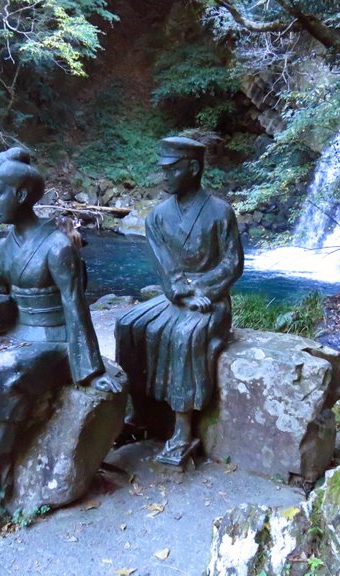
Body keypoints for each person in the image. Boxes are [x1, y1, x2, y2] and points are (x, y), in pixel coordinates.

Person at [0, 147, 120, 519]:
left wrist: (91, 370)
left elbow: (76, 307)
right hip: (17, 333)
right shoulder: (5, 248)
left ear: (21, 195)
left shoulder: (56, 245)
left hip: (53, 340)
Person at [115, 136, 244, 465]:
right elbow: (164, 267)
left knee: (182, 335)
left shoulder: (219, 213)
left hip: (212, 299)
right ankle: (139, 412)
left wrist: (202, 289)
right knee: (128, 324)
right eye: (163, 170)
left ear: (193, 168)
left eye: (172, 170)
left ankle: (182, 429)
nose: (165, 177)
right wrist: (183, 291)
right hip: (176, 296)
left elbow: (232, 264)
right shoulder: (156, 217)